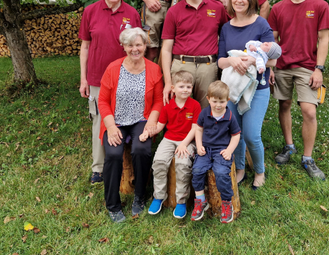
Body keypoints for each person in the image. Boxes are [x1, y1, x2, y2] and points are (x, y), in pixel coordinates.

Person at [268, 0, 329, 180]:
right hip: (283, 65)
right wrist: (272, 67)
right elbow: (272, 40)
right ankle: (289, 146)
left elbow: (323, 39)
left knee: (309, 111)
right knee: (283, 104)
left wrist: (319, 69)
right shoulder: (278, 9)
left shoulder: (320, 6)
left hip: (307, 66)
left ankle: (308, 158)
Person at [79, 0, 141, 185]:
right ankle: (98, 168)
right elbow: (85, 46)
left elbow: (136, 48)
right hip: (97, 77)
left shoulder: (132, 14)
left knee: (126, 119)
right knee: (99, 122)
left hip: (126, 77)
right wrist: (83, 79)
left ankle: (126, 163)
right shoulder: (90, 11)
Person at [97, 28, 164, 222]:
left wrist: (151, 121)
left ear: (145, 46)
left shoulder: (153, 68)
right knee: (113, 154)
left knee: (141, 150)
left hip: (141, 120)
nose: (135, 49)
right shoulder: (113, 68)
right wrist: (110, 126)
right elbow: (102, 101)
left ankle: (140, 196)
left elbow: (159, 100)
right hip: (116, 120)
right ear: (124, 47)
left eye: (139, 45)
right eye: (130, 45)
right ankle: (113, 204)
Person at [218, 0, 277, 190]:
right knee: (236, 132)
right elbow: (220, 61)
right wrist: (232, 61)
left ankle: (259, 171)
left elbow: (273, 60)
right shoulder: (226, 27)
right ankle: (241, 169)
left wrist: (253, 60)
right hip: (233, 88)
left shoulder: (260, 24)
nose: (239, 0)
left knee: (251, 134)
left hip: (257, 89)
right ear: (231, 0)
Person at [161, 0, 229, 108]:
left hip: (208, 67)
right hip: (181, 65)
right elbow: (166, 49)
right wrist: (168, 82)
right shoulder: (174, 12)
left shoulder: (217, 8)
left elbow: (226, 38)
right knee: (177, 111)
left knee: (206, 112)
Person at [140, 70, 201, 219]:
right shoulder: (168, 106)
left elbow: (195, 129)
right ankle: (158, 197)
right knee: (159, 162)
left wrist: (184, 144)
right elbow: (160, 126)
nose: (185, 90)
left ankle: (181, 202)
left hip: (188, 140)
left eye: (188, 87)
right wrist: (148, 133)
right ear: (173, 88)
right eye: (181, 86)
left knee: (182, 165)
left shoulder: (195, 106)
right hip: (169, 139)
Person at [191, 81, 240, 224]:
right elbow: (199, 129)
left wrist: (230, 150)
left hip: (222, 150)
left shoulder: (230, 116)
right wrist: (199, 145)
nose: (218, 105)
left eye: (222, 102)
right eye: (215, 101)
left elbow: (236, 135)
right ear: (208, 99)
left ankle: (226, 203)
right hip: (205, 149)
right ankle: (200, 201)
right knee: (197, 170)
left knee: (220, 172)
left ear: (227, 101)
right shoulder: (204, 113)